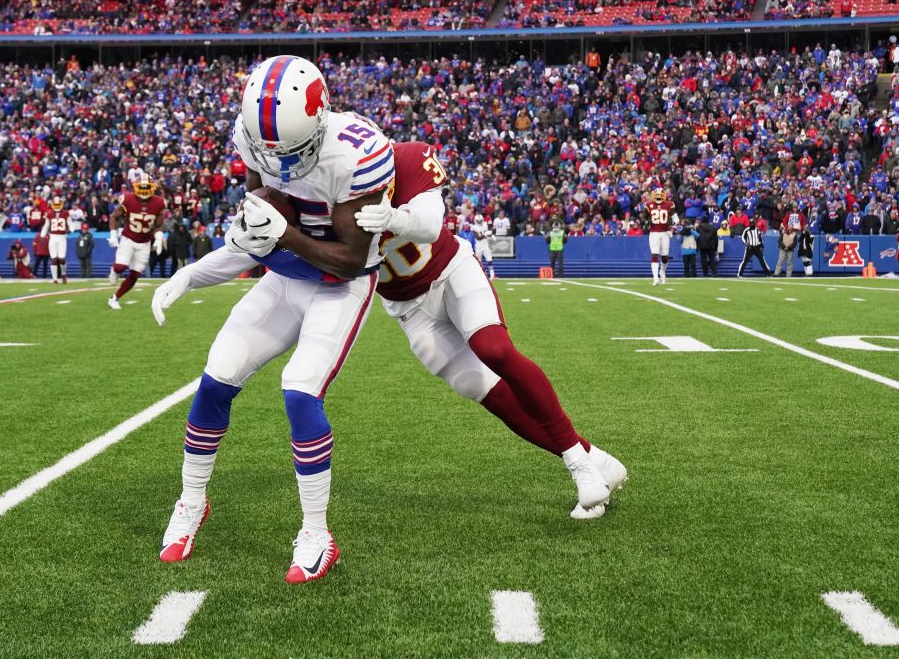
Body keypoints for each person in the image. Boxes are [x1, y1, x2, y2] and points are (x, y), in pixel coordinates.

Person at [155, 142, 624, 520]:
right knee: (484, 392)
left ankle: (579, 464)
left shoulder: (406, 159)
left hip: (450, 273)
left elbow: (431, 222)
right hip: (407, 309)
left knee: (493, 347)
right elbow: (257, 248)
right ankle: (594, 458)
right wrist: (191, 274)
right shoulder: (323, 194)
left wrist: (395, 218)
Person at [150, 56, 393, 584]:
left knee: (299, 388)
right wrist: (193, 273)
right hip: (284, 277)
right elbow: (262, 223)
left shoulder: (357, 152)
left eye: (290, 151)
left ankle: (316, 533)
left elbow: (349, 258)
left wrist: (281, 232)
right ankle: (192, 502)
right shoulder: (251, 136)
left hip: (339, 286)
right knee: (216, 377)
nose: (277, 163)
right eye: (267, 153)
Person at [107, 175, 165, 309]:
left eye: (147, 187)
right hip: (128, 239)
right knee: (120, 267)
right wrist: (113, 234)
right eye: (142, 187)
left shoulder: (159, 203)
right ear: (136, 187)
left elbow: (158, 225)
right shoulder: (128, 199)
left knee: (135, 275)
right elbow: (114, 216)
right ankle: (114, 270)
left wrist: (159, 237)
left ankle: (114, 298)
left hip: (144, 243)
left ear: (152, 188)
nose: (144, 190)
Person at [643, 188, 676, 285]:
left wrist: (672, 227)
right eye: (656, 196)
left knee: (665, 257)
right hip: (654, 233)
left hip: (665, 233)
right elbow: (644, 218)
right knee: (654, 254)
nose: (658, 198)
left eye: (660, 196)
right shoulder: (649, 204)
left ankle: (662, 271)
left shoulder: (669, 204)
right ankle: (655, 278)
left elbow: (676, 219)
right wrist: (646, 223)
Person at [41, 196, 71, 284]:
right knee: (53, 259)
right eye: (55, 204)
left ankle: (63, 273)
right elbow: (46, 225)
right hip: (52, 237)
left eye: (58, 204)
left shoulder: (66, 213)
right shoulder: (49, 214)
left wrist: (71, 229)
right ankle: (54, 279)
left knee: (61, 258)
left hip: (62, 237)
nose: (57, 206)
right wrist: (42, 235)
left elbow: (70, 223)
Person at [471, 213, 495, 280]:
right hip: (478, 246)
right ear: (475, 220)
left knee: (489, 259)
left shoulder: (485, 224)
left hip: (485, 245)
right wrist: (485, 234)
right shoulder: (473, 227)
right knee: (478, 262)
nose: (479, 222)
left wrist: (491, 235)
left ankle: (492, 275)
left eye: (480, 220)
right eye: (478, 221)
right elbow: (478, 237)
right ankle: (479, 275)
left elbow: (489, 231)